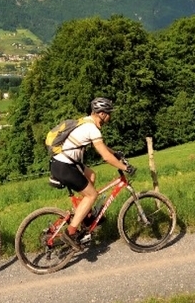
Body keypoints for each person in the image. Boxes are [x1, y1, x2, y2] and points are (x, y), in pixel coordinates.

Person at [49, 97, 135, 251]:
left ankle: (86, 217)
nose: (110, 116)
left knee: (92, 175)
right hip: (65, 166)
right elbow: (105, 157)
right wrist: (125, 167)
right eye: (109, 113)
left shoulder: (86, 121)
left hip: (64, 163)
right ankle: (71, 233)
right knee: (92, 195)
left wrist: (116, 153)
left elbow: (102, 146)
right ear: (102, 114)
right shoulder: (92, 129)